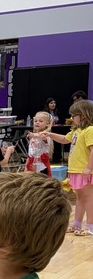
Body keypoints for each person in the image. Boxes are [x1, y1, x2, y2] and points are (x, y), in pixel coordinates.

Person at [36, 98, 93, 235]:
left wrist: (89, 168)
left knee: (88, 198)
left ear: (83, 115)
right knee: (79, 198)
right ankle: (77, 224)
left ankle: (90, 226)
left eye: (74, 116)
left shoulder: (90, 130)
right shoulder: (76, 131)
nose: (71, 118)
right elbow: (64, 139)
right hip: (75, 170)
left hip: (84, 170)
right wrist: (49, 134)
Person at [24, 112, 52, 176]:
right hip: (32, 163)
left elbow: (42, 136)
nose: (37, 122)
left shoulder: (47, 135)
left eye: (40, 121)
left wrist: (33, 135)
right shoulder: (33, 137)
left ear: (47, 124)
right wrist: (26, 165)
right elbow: (30, 153)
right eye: (35, 121)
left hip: (42, 165)